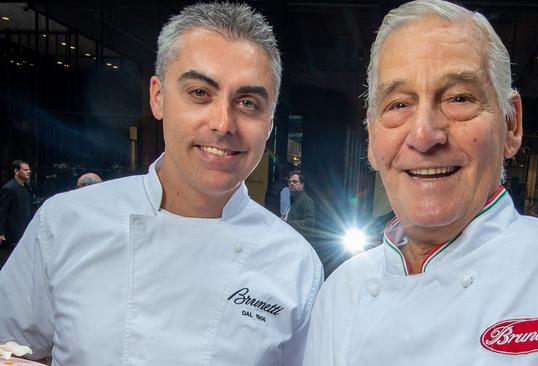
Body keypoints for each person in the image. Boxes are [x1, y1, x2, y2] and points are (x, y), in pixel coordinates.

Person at [304, 1, 538, 365]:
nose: (424, 135)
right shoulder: (341, 292)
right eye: (399, 104)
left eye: (459, 98)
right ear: (372, 139)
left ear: (511, 125)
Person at [0, 3, 322, 365]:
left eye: (248, 102)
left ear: (270, 123)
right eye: (200, 93)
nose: (223, 123)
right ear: (158, 97)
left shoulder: (296, 265)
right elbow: (11, 350)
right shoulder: (63, 222)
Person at [0, 160, 33, 251]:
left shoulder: (27, 188)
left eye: (29, 169)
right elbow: (2, 211)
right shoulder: (9, 189)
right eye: (25, 169)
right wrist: (1, 232)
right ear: (16, 171)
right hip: (13, 233)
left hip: (26, 231)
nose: (29, 171)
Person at [286, 171, 315, 241]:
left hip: (304, 242)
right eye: (289, 182)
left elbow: (310, 222)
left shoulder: (306, 200)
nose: (291, 184)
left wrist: (289, 223)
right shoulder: (295, 199)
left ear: (302, 184)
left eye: (295, 182)